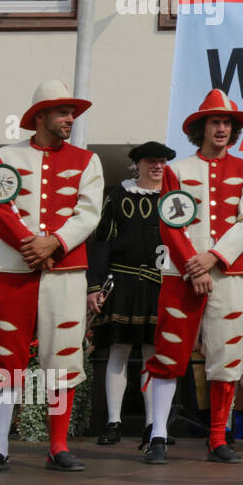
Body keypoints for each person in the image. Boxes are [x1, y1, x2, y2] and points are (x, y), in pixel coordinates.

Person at [0, 80, 104, 473]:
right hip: (13, 269)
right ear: (41, 115)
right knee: (3, 355)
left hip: (66, 271)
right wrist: (31, 244)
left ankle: (58, 446)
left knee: (63, 354)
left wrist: (55, 243)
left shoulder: (88, 161)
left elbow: (89, 212)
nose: (70, 119)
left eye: (73, 113)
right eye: (63, 112)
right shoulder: (5, 155)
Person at [141, 89, 243, 466]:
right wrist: (193, 263)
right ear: (201, 127)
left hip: (227, 273)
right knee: (169, 351)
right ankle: (158, 434)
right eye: (215, 121)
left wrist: (212, 258)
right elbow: (170, 223)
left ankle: (217, 437)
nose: (222, 128)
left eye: (227, 122)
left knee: (227, 354)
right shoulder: (178, 170)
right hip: (181, 272)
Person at [87, 141, 175, 447]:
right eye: (151, 161)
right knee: (119, 350)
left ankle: (154, 425)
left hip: (158, 283)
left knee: (154, 354)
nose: (157, 166)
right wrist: (95, 286)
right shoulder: (119, 196)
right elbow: (101, 242)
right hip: (122, 280)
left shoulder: (173, 199)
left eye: (162, 161)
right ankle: (113, 422)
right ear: (137, 164)